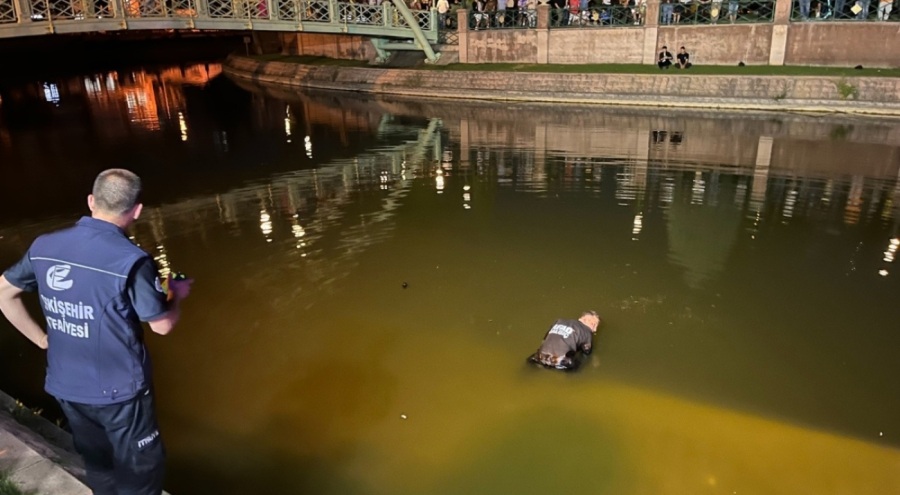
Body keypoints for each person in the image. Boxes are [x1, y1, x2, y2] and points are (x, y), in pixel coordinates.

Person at [0, 168, 193, 495]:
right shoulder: (132, 261)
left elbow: (4, 293)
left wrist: (43, 340)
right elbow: (161, 325)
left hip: (66, 384)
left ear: (91, 201)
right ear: (137, 211)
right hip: (120, 393)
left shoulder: (44, 246)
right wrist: (176, 294)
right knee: (142, 469)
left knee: (98, 464)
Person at [529, 311, 601, 370]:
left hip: (539, 356)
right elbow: (587, 351)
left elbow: (545, 338)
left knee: (532, 361)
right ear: (593, 324)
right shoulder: (587, 332)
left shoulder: (559, 321)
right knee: (577, 365)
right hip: (560, 361)